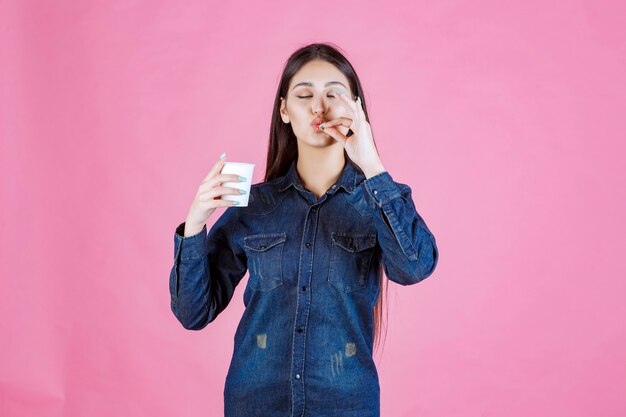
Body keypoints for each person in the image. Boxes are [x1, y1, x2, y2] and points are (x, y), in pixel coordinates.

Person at [169, 42, 439, 417]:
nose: (319, 106)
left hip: (345, 404)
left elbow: (414, 268)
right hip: (256, 404)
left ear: (355, 108)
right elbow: (192, 312)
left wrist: (371, 162)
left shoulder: (378, 200)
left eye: (334, 93)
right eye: (304, 94)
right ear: (284, 110)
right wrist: (196, 222)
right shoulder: (255, 206)